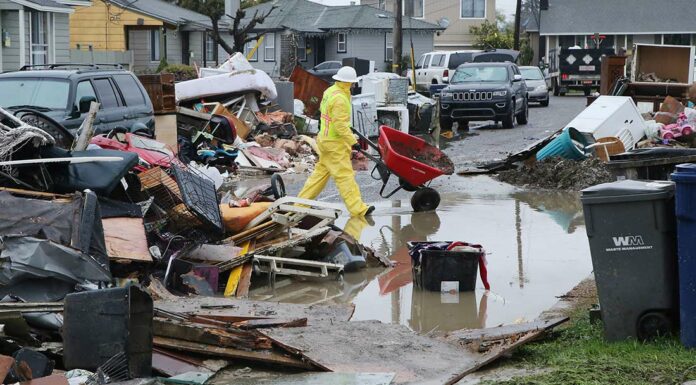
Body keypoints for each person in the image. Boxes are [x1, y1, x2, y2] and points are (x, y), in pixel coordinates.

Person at [298, 66, 375, 217]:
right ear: (348, 83)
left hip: (325, 140)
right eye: (352, 83)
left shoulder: (330, 91)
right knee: (345, 177)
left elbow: (327, 114)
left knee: (318, 177)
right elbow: (340, 125)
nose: (353, 85)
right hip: (335, 144)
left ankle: (300, 204)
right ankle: (358, 209)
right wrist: (353, 141)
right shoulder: (340, 98)